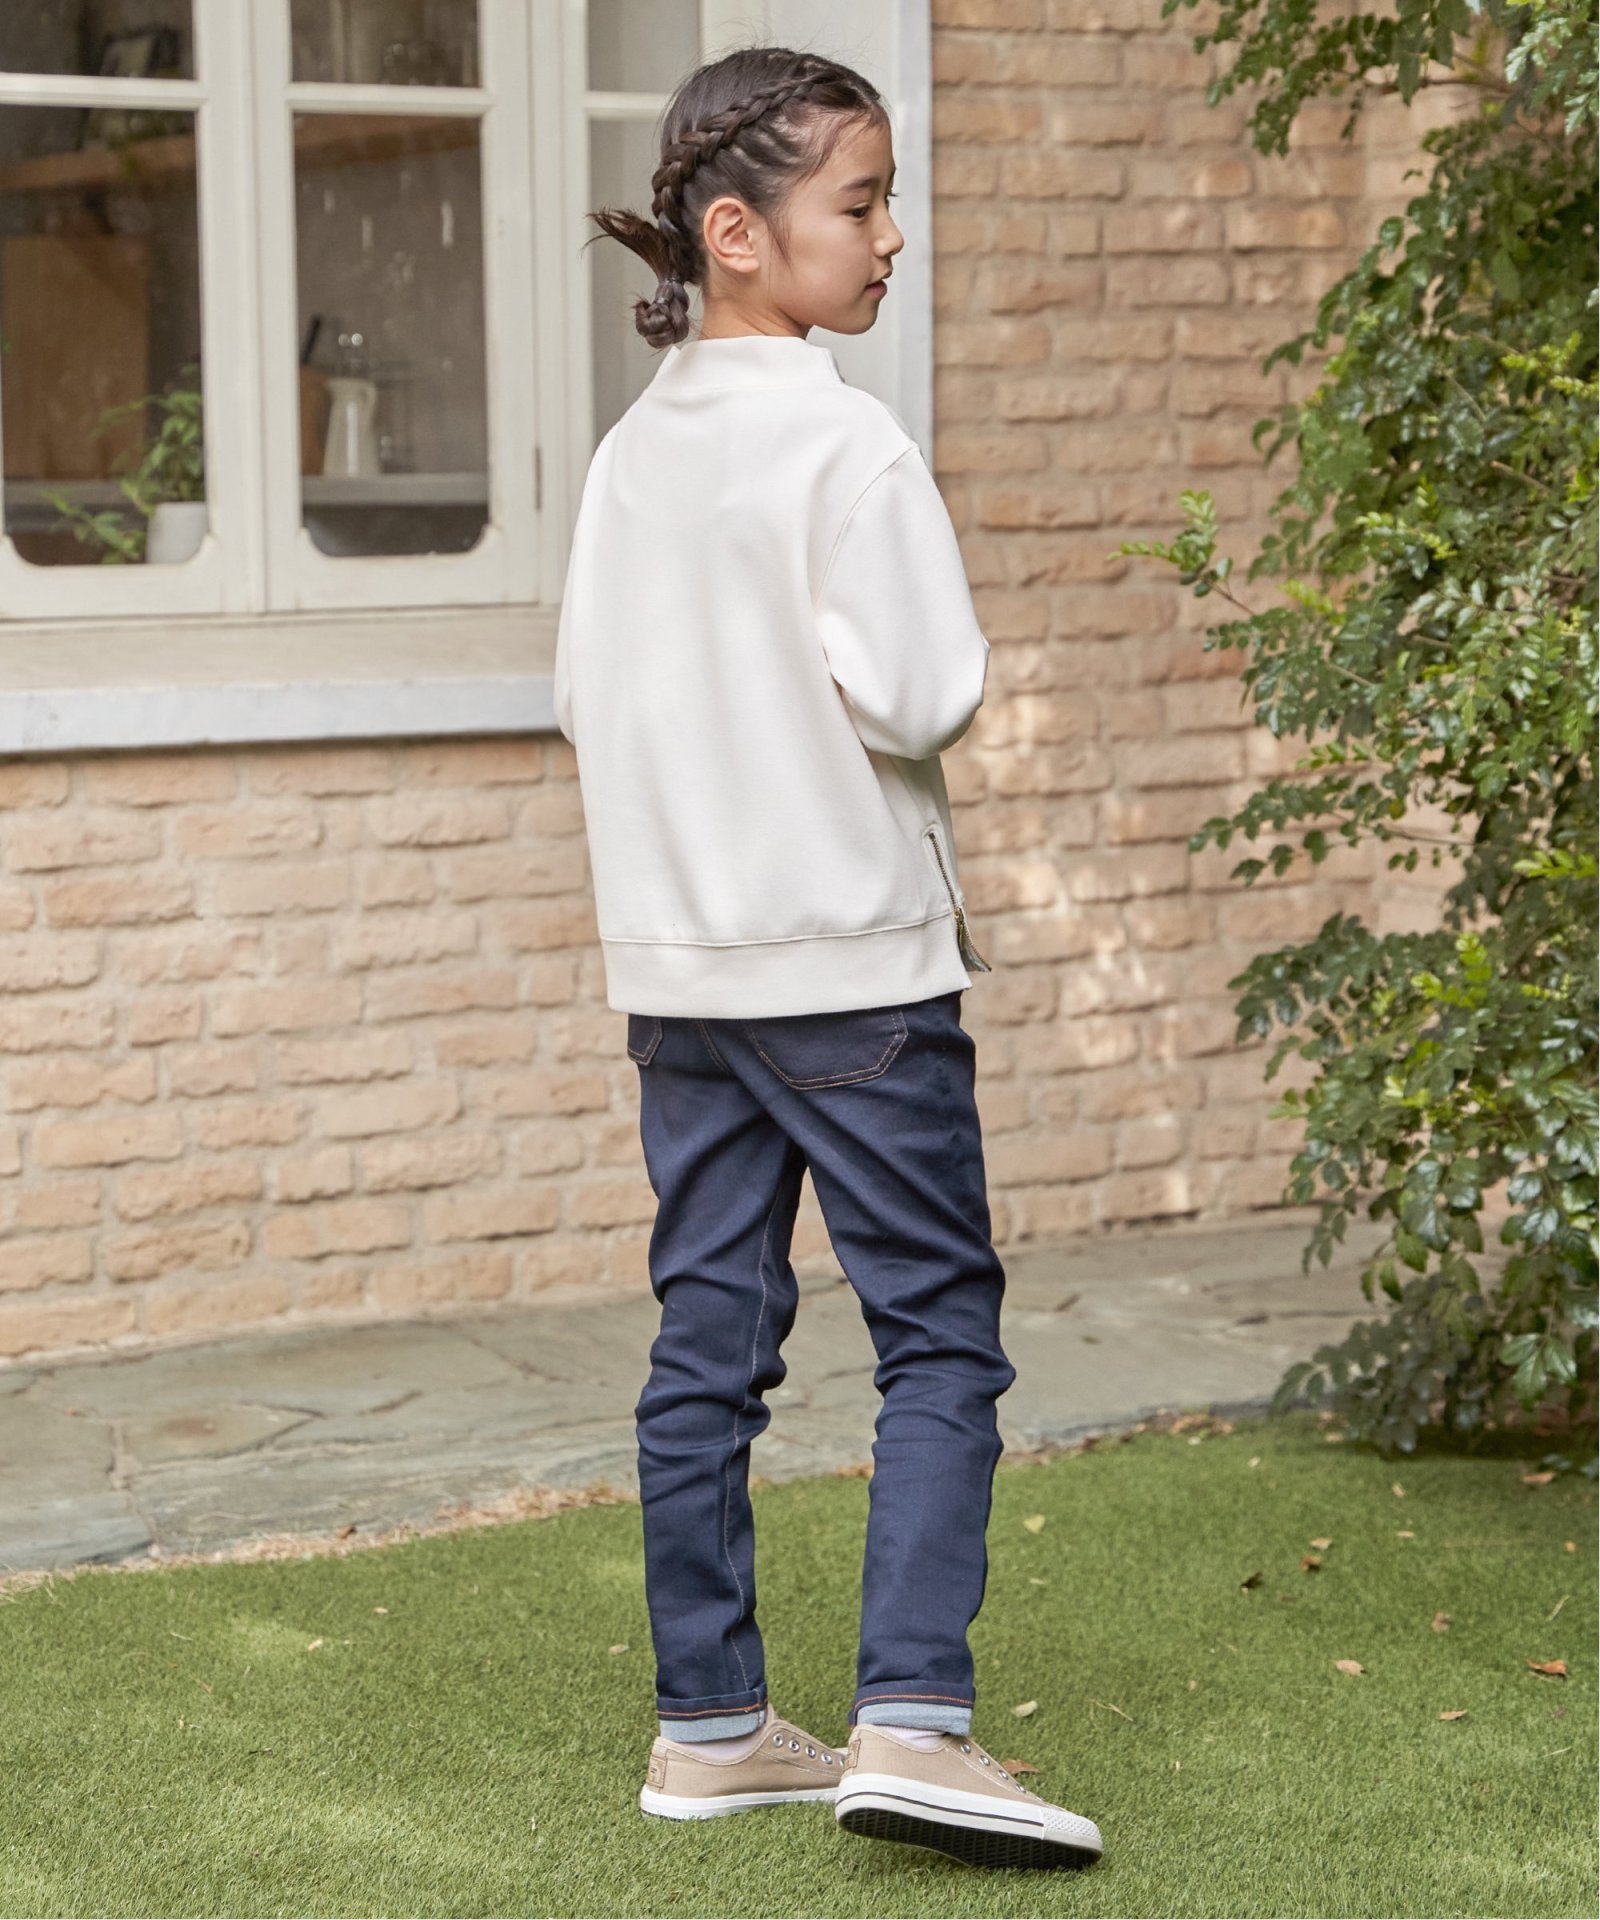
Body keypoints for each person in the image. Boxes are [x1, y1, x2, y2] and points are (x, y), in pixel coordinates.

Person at [554, 42, 1103, 1874]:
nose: (889, 238)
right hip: (852, 972)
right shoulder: (846, 438)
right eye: (860, 203)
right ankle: (915, 1724)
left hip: (685, 981)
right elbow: (925, 692)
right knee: (939, 1331)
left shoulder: (629, 460)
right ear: (738, 233)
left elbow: (586, 702)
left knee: (709, 1339)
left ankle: (711, 1729)